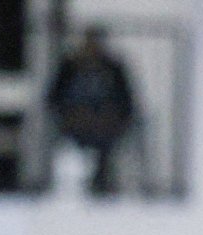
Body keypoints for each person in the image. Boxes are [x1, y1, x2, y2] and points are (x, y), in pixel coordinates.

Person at [45, 25, 136, 197]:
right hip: (73, 123)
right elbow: (53, 98)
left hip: (106, 125)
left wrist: (110, 116)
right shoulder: (69, 66)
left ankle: (102, 179)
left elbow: (127, 101)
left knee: (106, 140)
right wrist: (71, 113)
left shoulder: (114, 69)